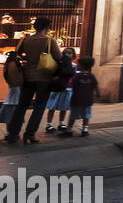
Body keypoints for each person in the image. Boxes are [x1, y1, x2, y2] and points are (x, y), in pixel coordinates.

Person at [4, 16, 57, 144]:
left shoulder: (26, 40)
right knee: (39, 107)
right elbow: (59, 57)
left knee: (22, 105)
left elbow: (18, 55)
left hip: (27, 76)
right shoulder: (49, 41)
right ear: (47, 27)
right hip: (44, 77)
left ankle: (13, 133)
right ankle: (29, 134)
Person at [44, 47, 78, 136]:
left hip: (68, 88)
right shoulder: (58, 64)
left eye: (69, 53)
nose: (67, 55)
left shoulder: (74, 66)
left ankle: (61, 123)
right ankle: (49, 124)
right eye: (65, 53)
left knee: (64, 107)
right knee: (52, 107)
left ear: (73, 55)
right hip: (57, 88)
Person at [68, 56, 97, 137]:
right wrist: (97, 94)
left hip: (76, 99)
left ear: (81, 65)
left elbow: (72, 85)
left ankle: (69, 129)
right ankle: (85, 129)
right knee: (86, 114)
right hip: (88, 99)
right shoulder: (91, 76)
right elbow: (95, 85)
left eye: (78, 64)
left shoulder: (76, 76)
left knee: (73, 114)